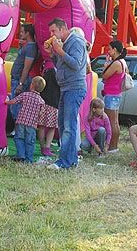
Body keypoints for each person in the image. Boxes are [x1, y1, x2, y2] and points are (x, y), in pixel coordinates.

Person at [44, 18, 88, 170]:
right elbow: (61, 65)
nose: (52, 35)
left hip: (75, 88)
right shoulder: (63, 43)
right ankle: (70, 159)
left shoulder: (76, 41)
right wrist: (52, 54)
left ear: (62, 29)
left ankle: (65, 162)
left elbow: (76, 64)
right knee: (63, 125)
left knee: (69, 126)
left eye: (53, 31)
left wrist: (60, 51)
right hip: (65, 87)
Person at [5, 76, 46, 163]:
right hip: (32, 124)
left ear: (31, 85)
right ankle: (29, 159)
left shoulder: (25, 95)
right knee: (30, 141)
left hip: (21, 121)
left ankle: (21, 155)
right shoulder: (41, 101)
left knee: (19, 138)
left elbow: (14, 101)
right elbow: (41, 114)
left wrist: (6, 102)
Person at [9, 24, 38, 128]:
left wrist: (20, 83)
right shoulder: (27, 46)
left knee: (16, 105)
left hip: (19, 79)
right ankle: (16, 128)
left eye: (22, 32)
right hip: (16, 77)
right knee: (15, 104)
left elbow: (26, 67)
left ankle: (17, 129)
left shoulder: (31, 48)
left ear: (28, 33)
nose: (20, 34)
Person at [101, 40, 127, 153]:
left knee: (111, 121)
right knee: (115, 121)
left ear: (115, 50)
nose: (108, 51)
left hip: (111, 94)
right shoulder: (123, 62)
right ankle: (114, 146)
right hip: (116, 93)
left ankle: (112, 146)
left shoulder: (116, 63)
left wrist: (106, 65)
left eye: (110, 49)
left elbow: (105, 75)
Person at [38, 68, 60, 157]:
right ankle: (47, 147)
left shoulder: (48, 72)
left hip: (44, 103)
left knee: (41, 126)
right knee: (52, 127)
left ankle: (42, 146)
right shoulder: (60, 74)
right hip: (54, 104)